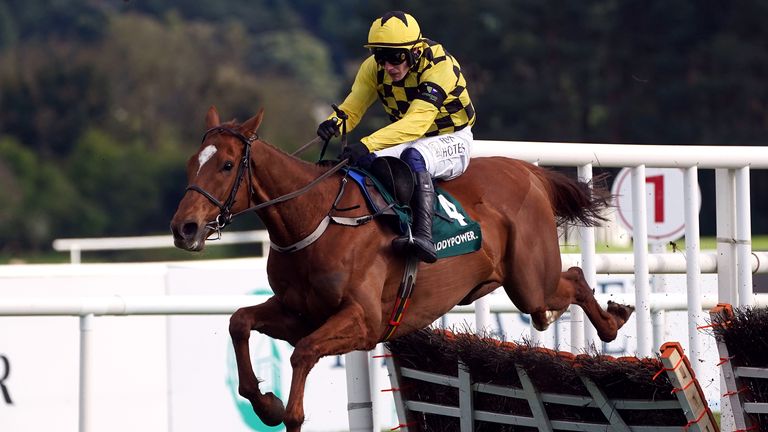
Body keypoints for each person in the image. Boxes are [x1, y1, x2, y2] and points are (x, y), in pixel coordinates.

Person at [317, 10, 476, 264]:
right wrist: (334, 122)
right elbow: (353, 107)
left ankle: (424, 237)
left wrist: (367, 143)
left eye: (395, 57)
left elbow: (416, 123)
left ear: (415, 50)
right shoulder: (373, 68)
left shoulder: (440, 65)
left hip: (453, 136)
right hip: (410, 137)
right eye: (380, 57)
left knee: (414, 157)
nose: (388, 66)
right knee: (361, 162)